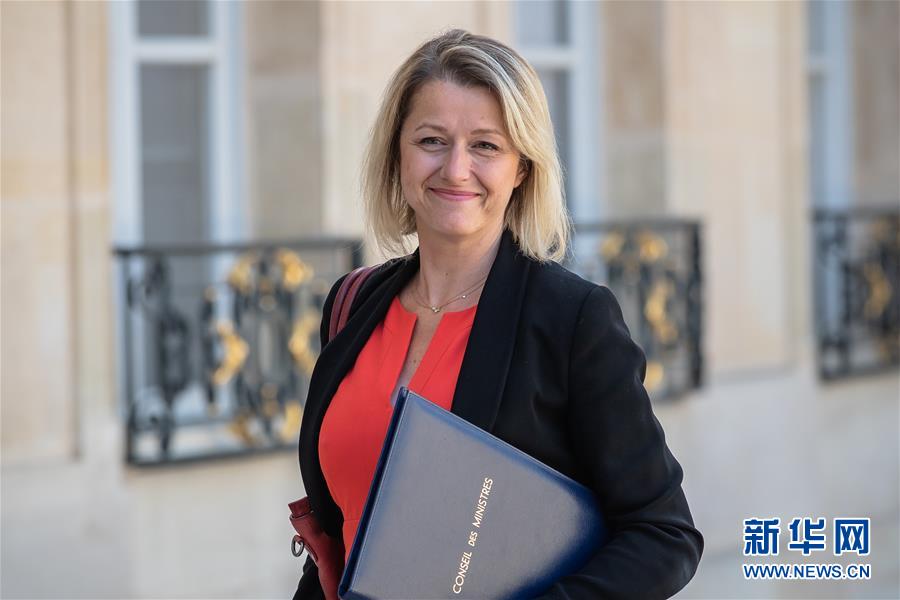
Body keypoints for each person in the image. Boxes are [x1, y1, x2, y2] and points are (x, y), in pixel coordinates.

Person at [293, 29, 703, 600]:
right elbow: (339, 535)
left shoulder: (573, 320)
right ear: (397, 155)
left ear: (522, 169)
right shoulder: (353, 303)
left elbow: (664, 534)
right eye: (432, 140)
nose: (456, 168)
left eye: (486, 145)